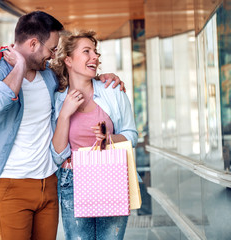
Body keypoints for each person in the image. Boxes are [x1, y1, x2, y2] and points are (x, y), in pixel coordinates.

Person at [0, 11, 124, 240]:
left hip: (49, 184)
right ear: (33, 43)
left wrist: (104, 78)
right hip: (10, 185)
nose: (53, 56)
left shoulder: (48, 76)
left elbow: (77, 73)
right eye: (51, 49)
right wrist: (19, 67)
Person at [50, 30, 138, 240]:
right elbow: (57, 155)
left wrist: (110, 137)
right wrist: (64, 114)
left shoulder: (113, 90)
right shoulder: (57, 99)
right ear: (68, 60)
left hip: (112, 175)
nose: (95, 57)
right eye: (87, 51)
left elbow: (132, 135)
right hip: (72, 179)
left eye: (95, 52)